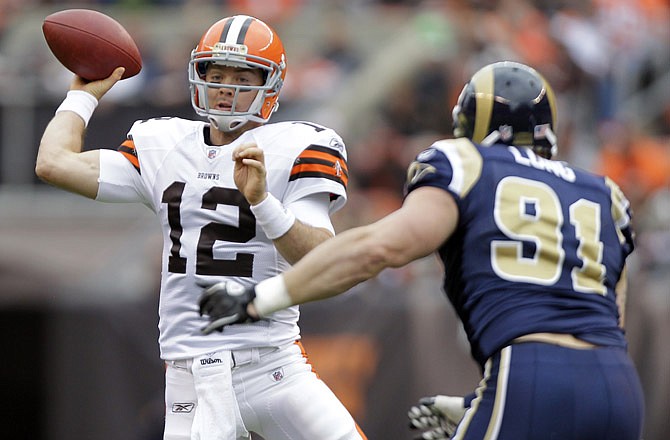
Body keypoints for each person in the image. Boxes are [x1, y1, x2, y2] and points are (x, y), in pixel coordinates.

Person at [198, 61, 646, 440]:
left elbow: (380, 248)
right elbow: (607, 321)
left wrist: (261, 298)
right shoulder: (604, 193)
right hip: (618, 387)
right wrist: (480, 404)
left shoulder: (465, 163)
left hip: (529, 374)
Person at [36, 14, 367, 440]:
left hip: (273, 367)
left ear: (271, 83)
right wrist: (81, 96)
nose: (226, 86)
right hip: (189, 378)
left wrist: (263, 203)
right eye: (216, 73)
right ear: (198, 76)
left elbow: (325, 260)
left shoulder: (297, 146)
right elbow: (53, 163)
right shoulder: (164, 143)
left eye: (242, 75)